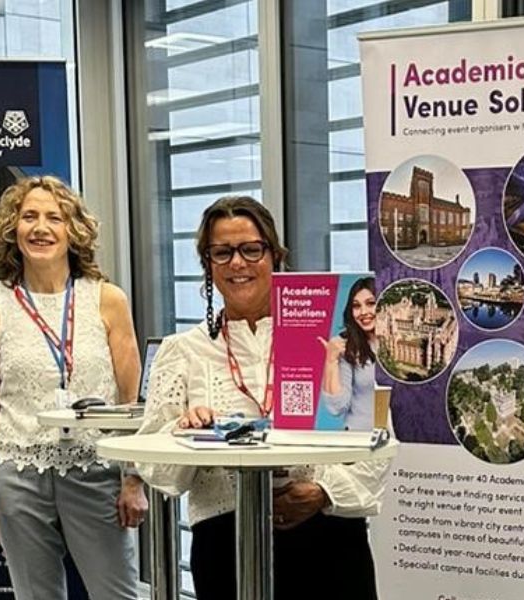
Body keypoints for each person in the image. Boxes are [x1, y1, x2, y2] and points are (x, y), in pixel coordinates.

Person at [137, 196, 388, 600]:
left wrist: (324, 492)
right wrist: (181, 432)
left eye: (252, 249)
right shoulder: (181, 351)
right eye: (222, 252)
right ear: (207, 263)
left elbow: (377, 437)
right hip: (226, 543)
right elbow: (157, 469)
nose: (238, 263)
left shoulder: (333, 339)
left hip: (327, 535)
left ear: (274, 254)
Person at [0, 175, 147, 600]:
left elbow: (131, 401)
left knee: (117, 595)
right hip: (17, 473)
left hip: (95, 470)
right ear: (13, 228)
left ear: (73, 230)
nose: (40, 228)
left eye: (54, 218)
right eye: (29, 217)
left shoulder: (107, 300)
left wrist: (134, 478)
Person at [319, 276, 378, 431]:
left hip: (404, 440)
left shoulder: (403, 339)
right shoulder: (345, 345)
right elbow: (336, 407)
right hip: (360, 439)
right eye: (356, 306)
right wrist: (331, 361)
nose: (363, 312)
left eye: (371, 304)